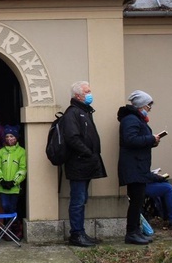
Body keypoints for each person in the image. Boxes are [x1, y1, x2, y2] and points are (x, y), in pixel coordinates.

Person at [64, 81, 107, 247]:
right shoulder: (73, 113)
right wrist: (88, 152)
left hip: (86, 164)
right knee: (78, 200)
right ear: (78, 95)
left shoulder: (84, 112)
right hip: (79, 164)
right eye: (87, 91)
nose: (90, 94)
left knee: (82, 199)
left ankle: (80, 232)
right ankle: (76, 234)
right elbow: (72, 138)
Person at [117, 90, 163, 245]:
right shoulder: (131, 120)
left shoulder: (134, 119)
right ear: (141, 105)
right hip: (134, 167)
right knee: (136, 201)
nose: (149, 108)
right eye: (148, 106)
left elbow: (136, 140)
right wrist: (150, 139)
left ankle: (136, 231)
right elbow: (130, 140)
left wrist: (151, 141)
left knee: (138, 201)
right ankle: (131, 232)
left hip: (138, 166)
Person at [0, 125, 27, 238]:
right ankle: (7, 229)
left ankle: (12, 229)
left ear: (16, 138)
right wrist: (1, 180)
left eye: (11, 136)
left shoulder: (21, 152)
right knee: (4, 206)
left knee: (13, 208)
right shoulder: (0, 152)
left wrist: (14, 182)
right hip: (2, 186)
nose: (9, 139)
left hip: (14, 187)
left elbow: (22, 169)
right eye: (7, 136)